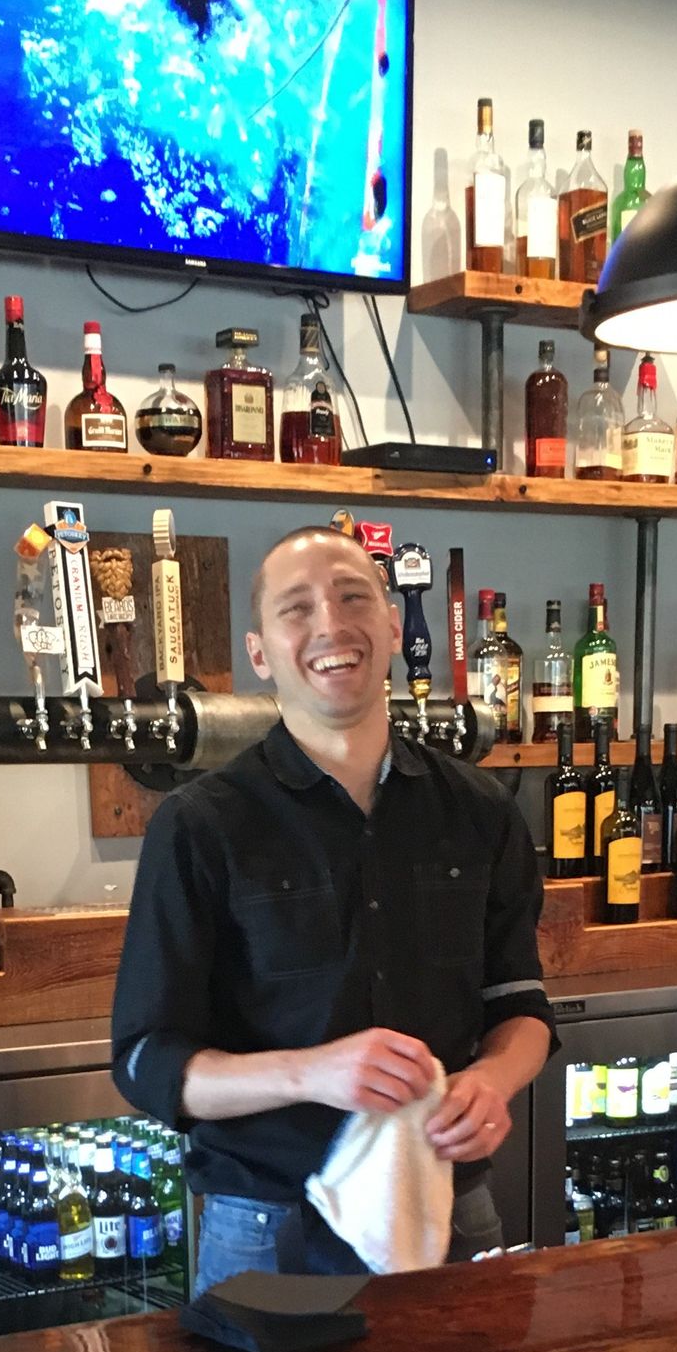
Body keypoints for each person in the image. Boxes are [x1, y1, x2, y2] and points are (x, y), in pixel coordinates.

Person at [112, 523, 554, 1296]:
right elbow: (147, 1063)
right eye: (297, 608)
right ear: (260, 653)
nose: (330, 625)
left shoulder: (481, 810)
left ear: (392, 628)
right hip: (269, 1228)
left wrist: (493, 1079)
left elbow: (521, 1004)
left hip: (449, 1207)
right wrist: (311, 1073)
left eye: (354, 598)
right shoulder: (200, 824)